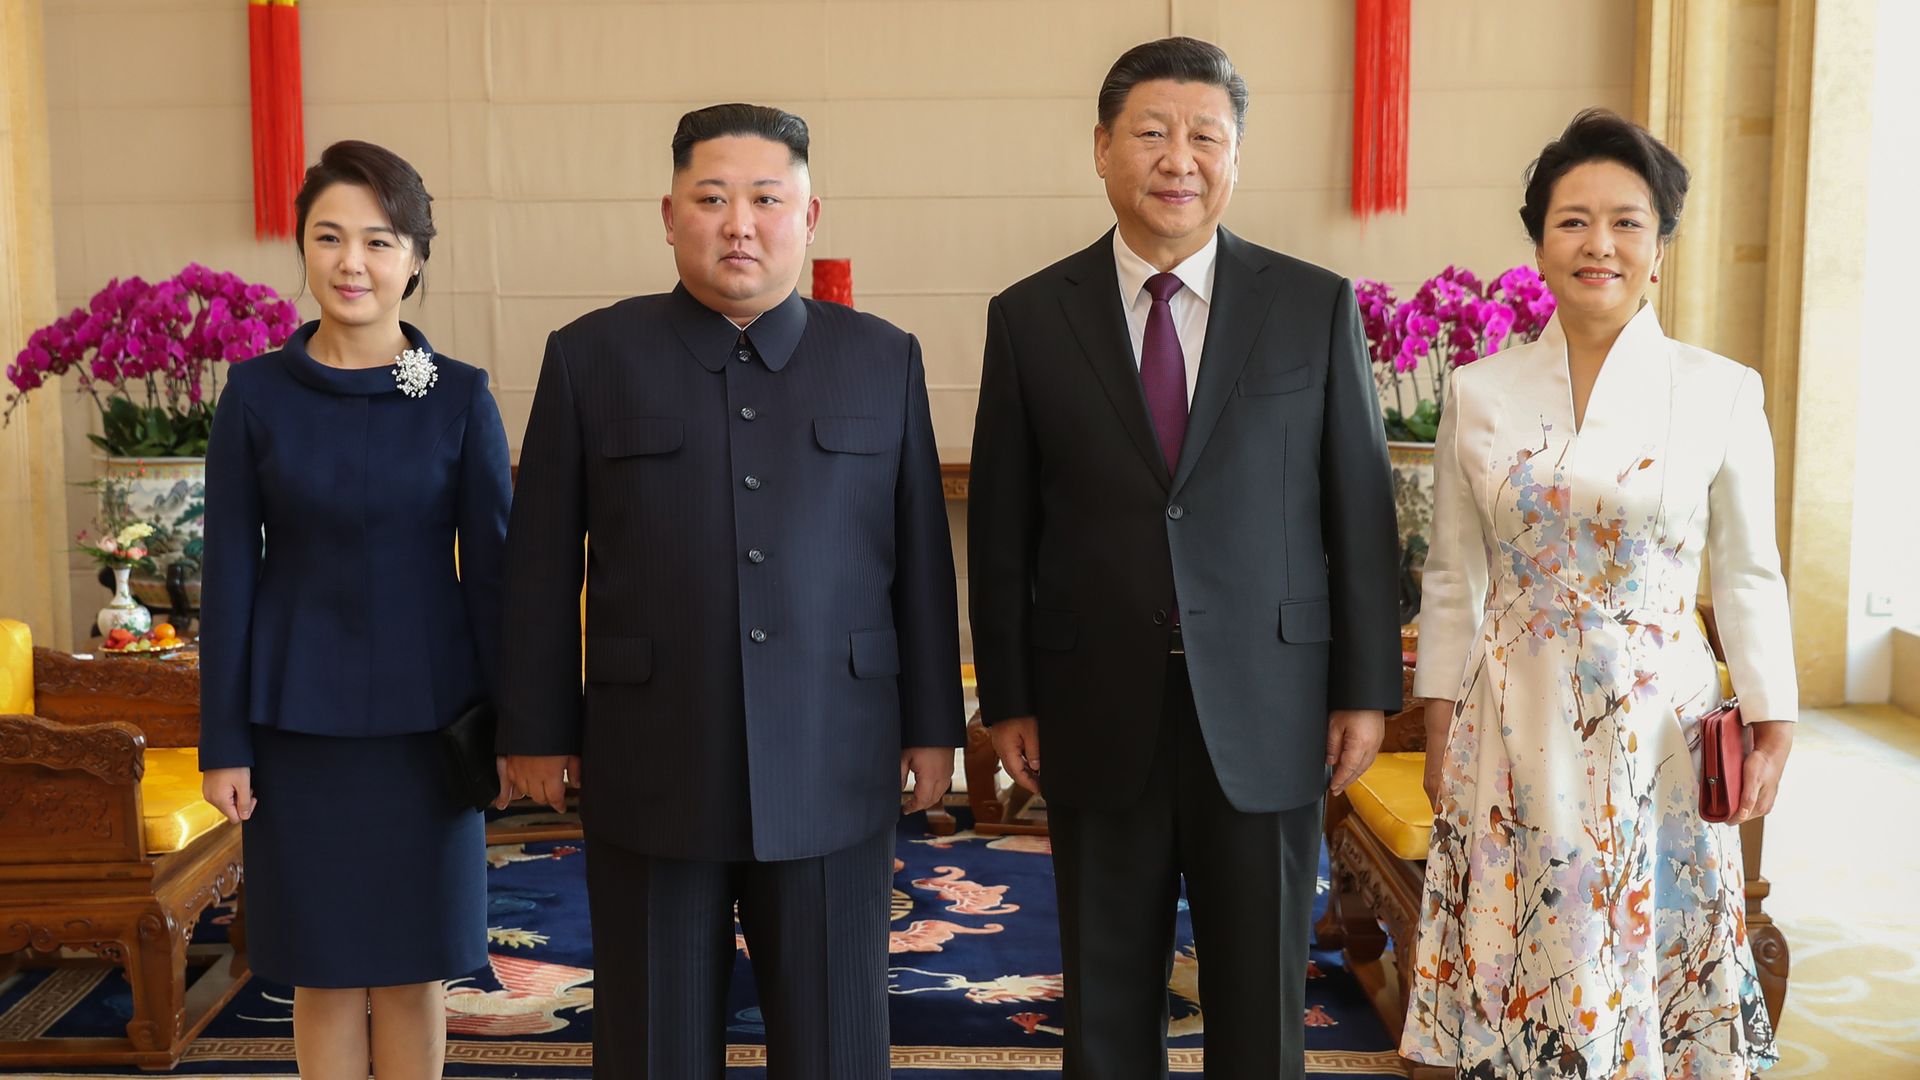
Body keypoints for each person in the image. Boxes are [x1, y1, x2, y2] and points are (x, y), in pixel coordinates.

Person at [496, 103, 963, 1079]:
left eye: (766, 199)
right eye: (711, 199)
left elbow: (920, 557)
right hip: (652, 756)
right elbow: (540, 560)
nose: (739, 224)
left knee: (835, 1047)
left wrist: (933, 726)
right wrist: (534, 727)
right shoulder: (591, 356)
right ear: (669, 217)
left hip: (836, 752)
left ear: (810, 216)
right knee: (653, 1046)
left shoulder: (883, 358)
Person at [967, 37, 1403, 1079]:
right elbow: (1003, 526)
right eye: (1152, 133)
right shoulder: (1030, 316)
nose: (1180, 159)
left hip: (1268, 699)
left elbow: (1359, 511)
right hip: (1094, 699)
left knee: (1261, 1002)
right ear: (1102, 149)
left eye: (1206, 136)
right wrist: (1010, 695)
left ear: (1236, 157)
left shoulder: (1312, 305)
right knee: (1107, 999)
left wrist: (1364, 689)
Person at [1402, 108, 1794, 1078]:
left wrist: (1773, 717)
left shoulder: (1720, 390)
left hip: (1657, 725)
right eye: (1573, 221)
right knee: (1529, 936)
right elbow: (1453, 572)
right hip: (1512, 714)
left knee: (1642, 933)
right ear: (1540, 242)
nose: (1599, 244)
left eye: (1627, 222)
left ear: (1659, 248)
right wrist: (1439, 713)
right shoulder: (1480, 391)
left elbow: (1749, 570)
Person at [198, 139, 512, 1080]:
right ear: (302, 247)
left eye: (379, 241)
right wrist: (224, 743)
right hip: (297, 729)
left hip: (431, 732)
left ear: (414, 259)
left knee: (416, 967)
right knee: (323, 968)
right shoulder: (255, 394)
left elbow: (494, 580)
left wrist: (517, 731)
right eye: (329, 237)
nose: (352, 262)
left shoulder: (458, 396)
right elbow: (229, 576)